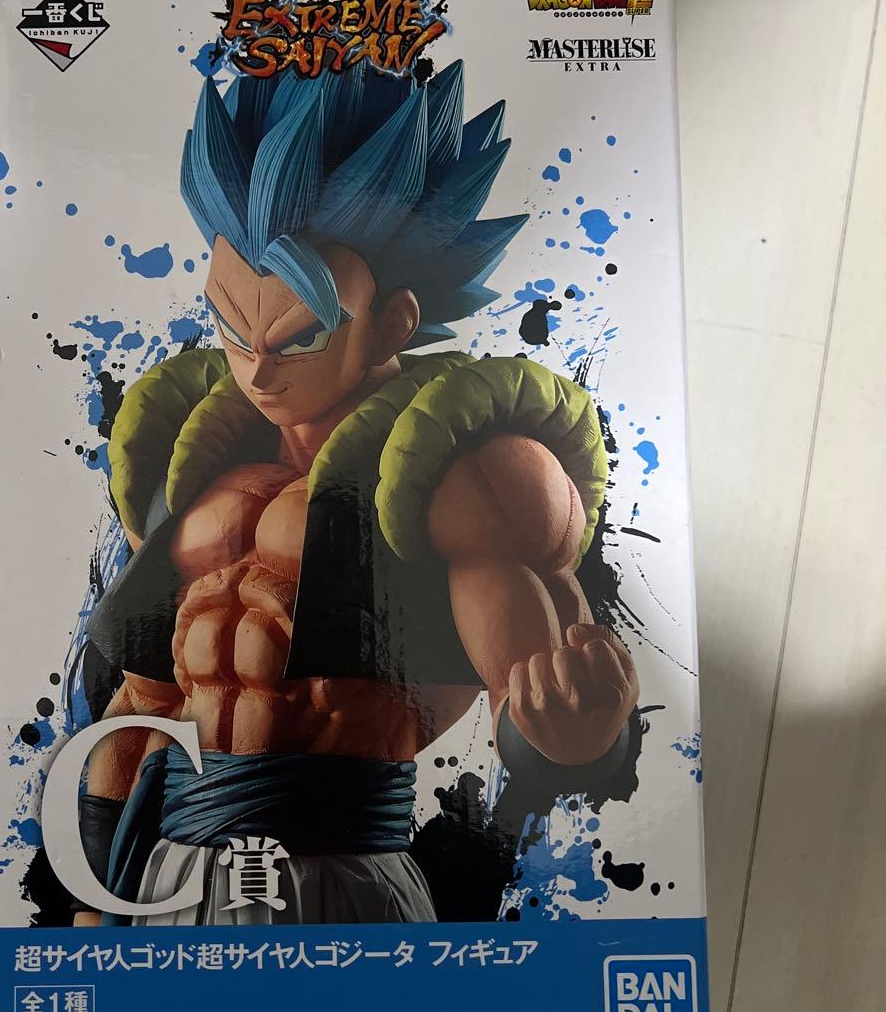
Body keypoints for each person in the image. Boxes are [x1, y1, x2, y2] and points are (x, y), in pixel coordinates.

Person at [72, 61, 639, 927]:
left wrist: (575, 733)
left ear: (393, 324)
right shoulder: (196, 473)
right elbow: (145, 703)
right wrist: (97, 890)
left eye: (297, 337)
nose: (257, 370)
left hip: (341, 880)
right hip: (169, 878)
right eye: (231, 325)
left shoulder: (465, 479)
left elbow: (527, 685)